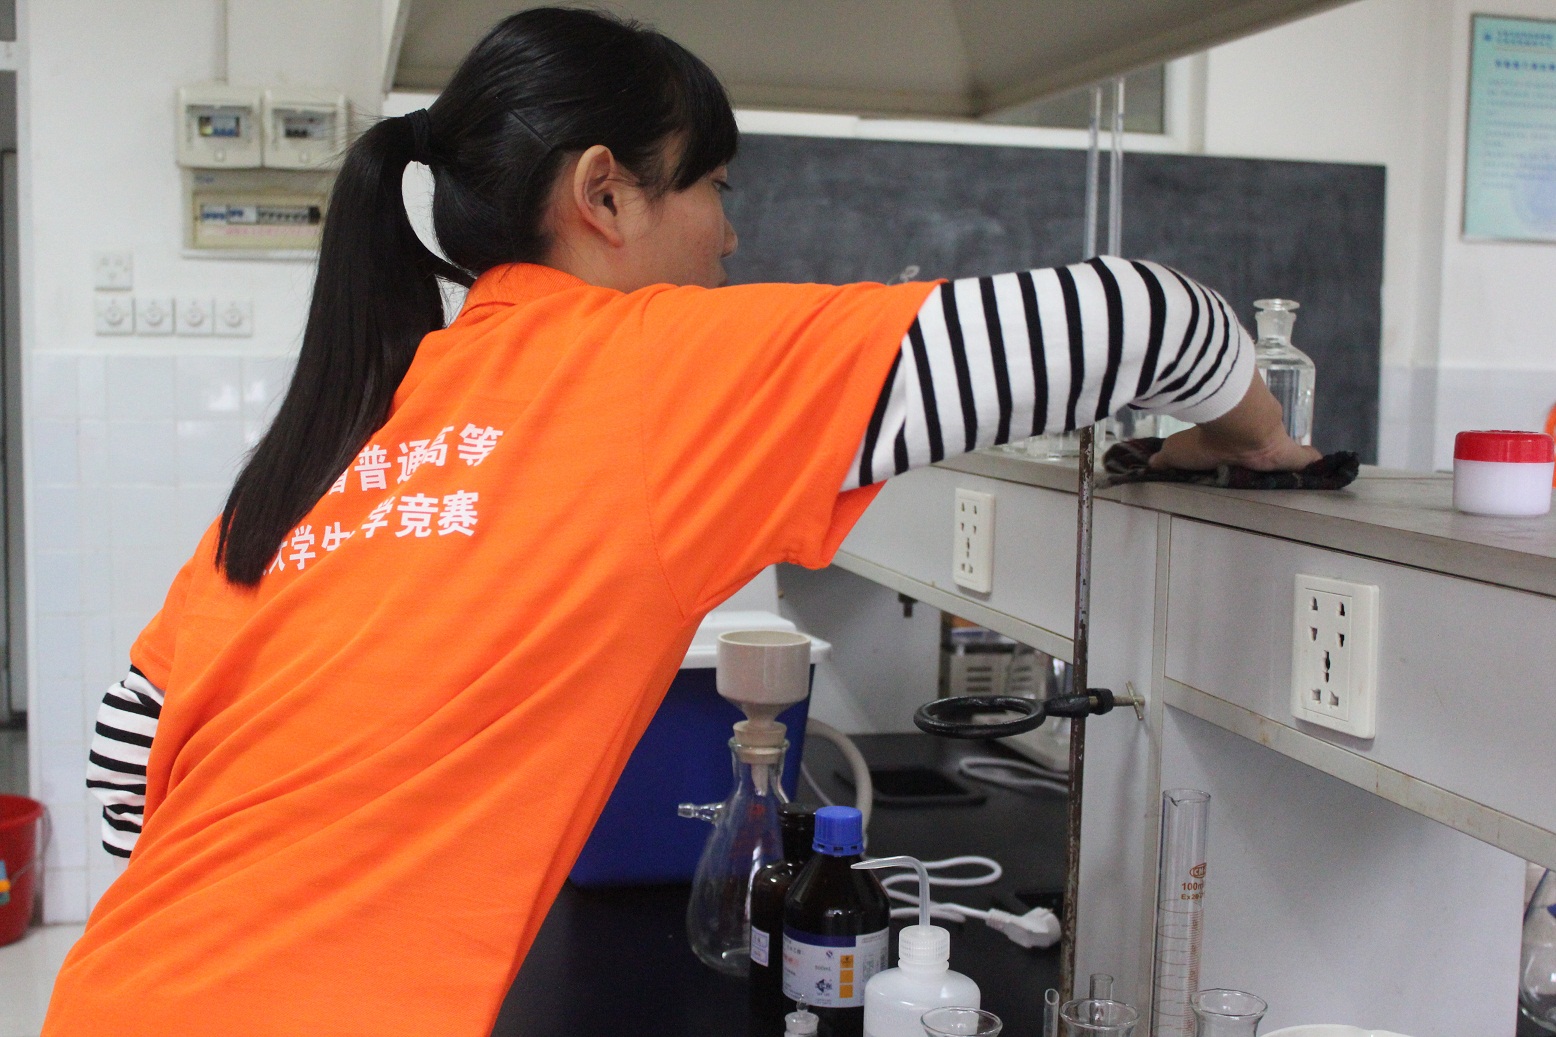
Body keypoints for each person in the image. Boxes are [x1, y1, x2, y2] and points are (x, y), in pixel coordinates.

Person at [46, 8, 1318, 1036]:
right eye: (711, 183)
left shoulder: (360, 429)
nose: (729, 227)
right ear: (602, 193)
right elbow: (1147, 316)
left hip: (115, 994)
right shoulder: (658, 368)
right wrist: (1251, 440)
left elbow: (126, 739)